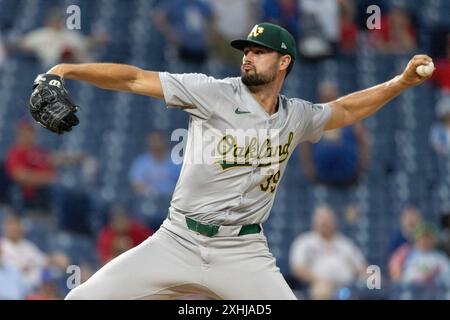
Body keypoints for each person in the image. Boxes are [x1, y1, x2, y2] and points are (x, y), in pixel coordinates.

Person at [41, 22, 433, 299]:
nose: (248, 57)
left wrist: (398, 83)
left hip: (242, 252)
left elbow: (344, 110)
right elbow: (132, 78)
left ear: (284, 63)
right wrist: (65, 70)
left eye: (259, 52)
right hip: (178, 238)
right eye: (247, 50)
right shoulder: (211, 92)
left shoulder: (295, 115)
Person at [289, 205, 367, 299]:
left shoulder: (346, 244)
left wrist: (373, 278)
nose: (325, 222)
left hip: (347, 287)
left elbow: (361, 267)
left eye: (328, 219)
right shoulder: (304, 242)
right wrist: (319, 279)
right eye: (321, 219)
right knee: (322, 290)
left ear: (335, 222)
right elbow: (298, 269)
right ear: (314, 221)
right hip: (318, 285)